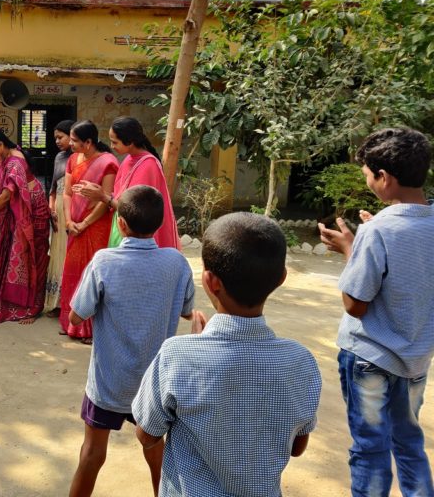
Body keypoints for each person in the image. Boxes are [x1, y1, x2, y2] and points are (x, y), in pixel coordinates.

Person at [132, 212, 322, 496]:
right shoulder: (301, 361)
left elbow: (147, 434)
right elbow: (297, 447)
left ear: (210, 281)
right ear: (281, 278)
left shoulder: (177, 355)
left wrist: (196, 348)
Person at [318, 127, 434, 497]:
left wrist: (352, 249)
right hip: (415, 361)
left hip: (370, 358)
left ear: (384, 178)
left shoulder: (378, 231)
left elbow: (355, 303)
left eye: (368, 174)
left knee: (370, 447)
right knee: (409, 442)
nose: (367, 180)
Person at [67, 185, 203, 497]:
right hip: (155, 383)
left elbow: (76, 316)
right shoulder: (176, 263)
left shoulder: (104, 261)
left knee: (91, 454)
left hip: (108, 384)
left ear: (121, 224)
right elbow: (185, 311)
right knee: (157, 452)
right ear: (159, 225)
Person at [0, 126, 50, 324]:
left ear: (0, 144)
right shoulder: (7, 155)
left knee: (29, 255)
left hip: (31, 211)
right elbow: (4, 182)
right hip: (20, 209)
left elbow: (7, 194)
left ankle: (31, 307)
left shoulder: (15, 162)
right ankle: (10, 299)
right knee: (14, 253)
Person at [74, 116, 180, 250]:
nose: (111, 146)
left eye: (115, 142)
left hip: (137, 237)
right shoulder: (129, 159)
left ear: (130, 142)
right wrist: (99, 192)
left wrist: (103, 197)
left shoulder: (148, 165)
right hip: (122, 227)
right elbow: (120, 196)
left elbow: (137, 212)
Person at [58, 120, 119, 343]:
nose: (70, 144)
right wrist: (68, 221)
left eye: (74, 140)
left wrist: (85, 224)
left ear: (88, 142)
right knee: (73, 271)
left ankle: (90, 329)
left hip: (96, 226)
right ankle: (71, 323)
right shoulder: (73, 159)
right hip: (74, 225)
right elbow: (66, 193)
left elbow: (106, 199)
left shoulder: (108, 162)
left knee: (93, 274)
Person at [44, 119, 73, 317]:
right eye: (55, 137)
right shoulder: (60, 157)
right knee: (57, 253)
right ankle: (55, 303)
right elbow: (53, 189)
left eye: (60, 137)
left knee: (69, 255)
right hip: (58, 213)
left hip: (73, 212)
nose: (57, 141)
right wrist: (51, 209)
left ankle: (69, 302)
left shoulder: (81, 159)